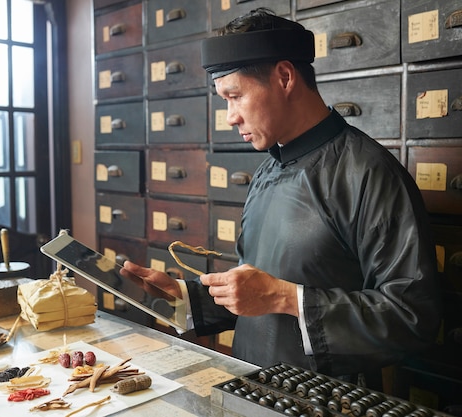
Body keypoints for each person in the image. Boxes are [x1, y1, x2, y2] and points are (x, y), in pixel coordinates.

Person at [120, 8, 442, 387]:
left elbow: (413, 317)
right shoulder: (267, 172)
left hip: (327, 401)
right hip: (252, 389)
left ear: (285, 77)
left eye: (235, 96)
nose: (229, 117)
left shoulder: (369, 173)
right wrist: (185, 298)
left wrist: (288, 298)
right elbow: (257, 298)